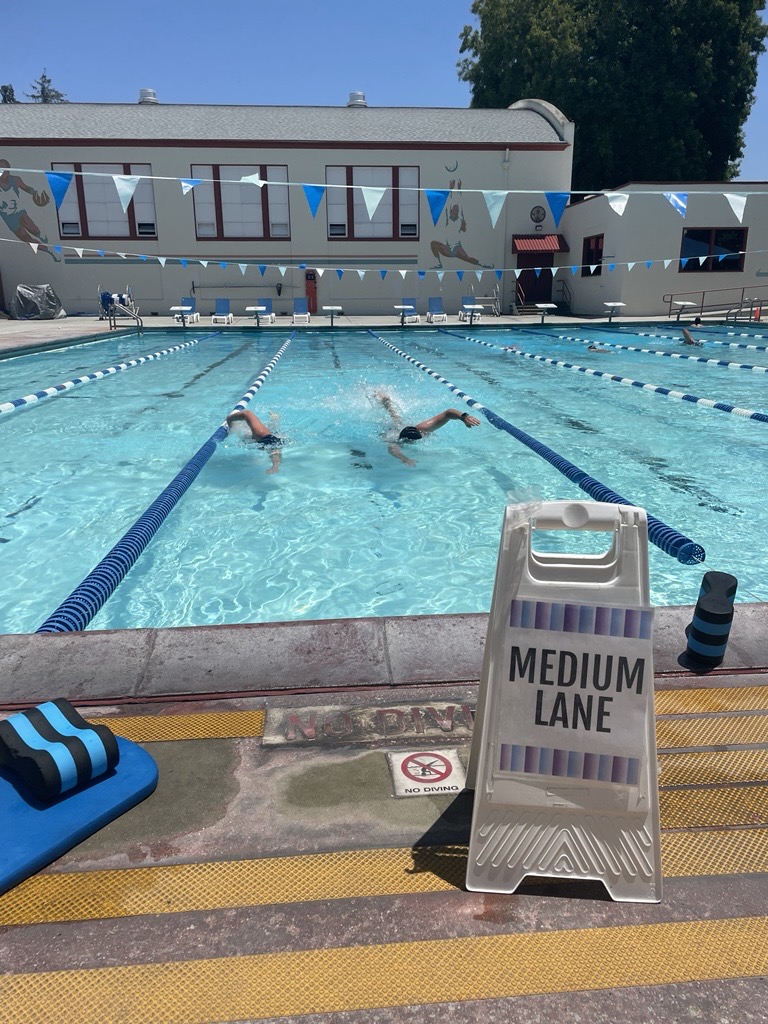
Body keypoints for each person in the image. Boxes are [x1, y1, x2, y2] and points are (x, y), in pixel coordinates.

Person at [374, 391, 480, 466]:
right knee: (393, 421)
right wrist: (405, 459)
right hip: (390, 431)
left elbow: (448, 413)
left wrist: (464, 417)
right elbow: (393, 450)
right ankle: (385, 402)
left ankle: (386, 402)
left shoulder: (422, 429)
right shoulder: (395, 441)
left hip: (402, 428)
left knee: (397, 419)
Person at [0, 158, 59, 260]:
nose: (2, 172)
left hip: (18, 211)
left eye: (4, 169)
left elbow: (27, 188)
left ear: (8, 170)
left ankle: (40, 234)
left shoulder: (16, 180)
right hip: (8, 217)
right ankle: (48, 250)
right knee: (28, 239)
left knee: (32, 227)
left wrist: (36, 194)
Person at [226, 409, 283, 474]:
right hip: (265, 439)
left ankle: (275, 419)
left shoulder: (260, 435)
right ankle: (274, 419)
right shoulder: (258, 435)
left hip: (266, 439)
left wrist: (229, 419)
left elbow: (247, 413)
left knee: (266, 434)